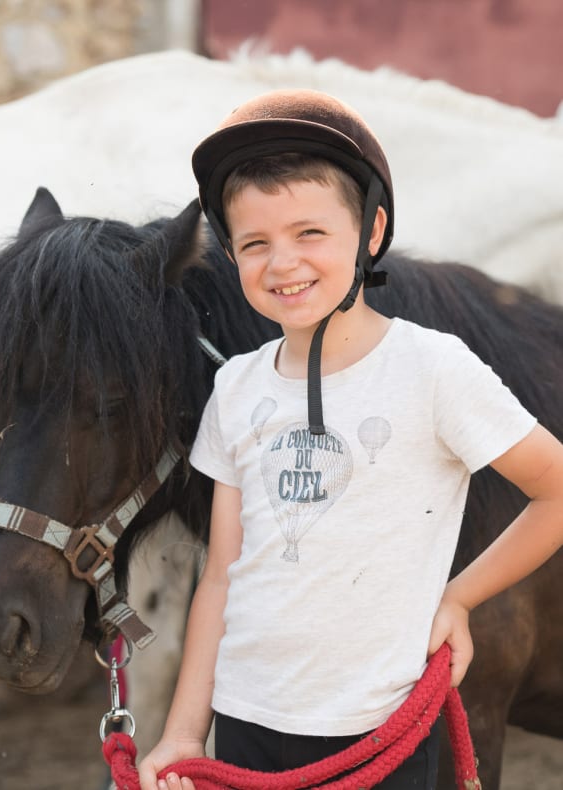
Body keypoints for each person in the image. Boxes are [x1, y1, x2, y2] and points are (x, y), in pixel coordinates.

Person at [137, 89, 563, 790]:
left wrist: (458, 597)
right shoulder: (238, 387)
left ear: (370, 233)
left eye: (310, 234)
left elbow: (551, 489)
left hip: (383, 729)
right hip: (247, 723)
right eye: (254, 243)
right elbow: (221, 574)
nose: (282, 264)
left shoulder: (434, 370)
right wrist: (186, 730)